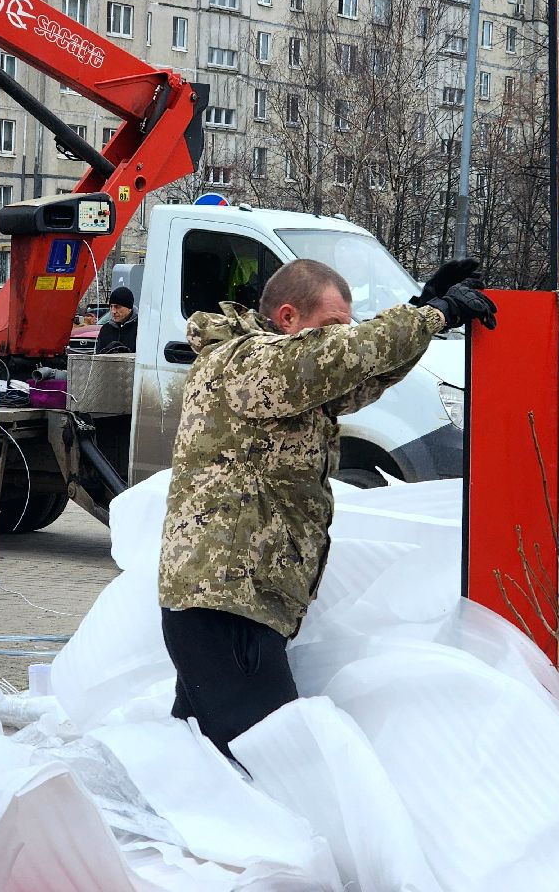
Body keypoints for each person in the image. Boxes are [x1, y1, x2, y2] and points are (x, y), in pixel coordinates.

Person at [157, 257, 496, 759]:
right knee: (274, 762)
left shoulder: (284, 380)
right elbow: (346, 355)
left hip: (238, 601)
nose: (342, 337)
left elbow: (361, 375)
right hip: (224, 605)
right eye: (331, 327)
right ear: (288, 318)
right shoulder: (249, 362)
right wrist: (433, 317)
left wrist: (422, 311)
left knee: (205, 760)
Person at [95, 285, 138, 354]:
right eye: (111, 306)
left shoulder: (140, 329)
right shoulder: (106, 329)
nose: (113, 311)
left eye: (117, 307)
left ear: (129, 308)